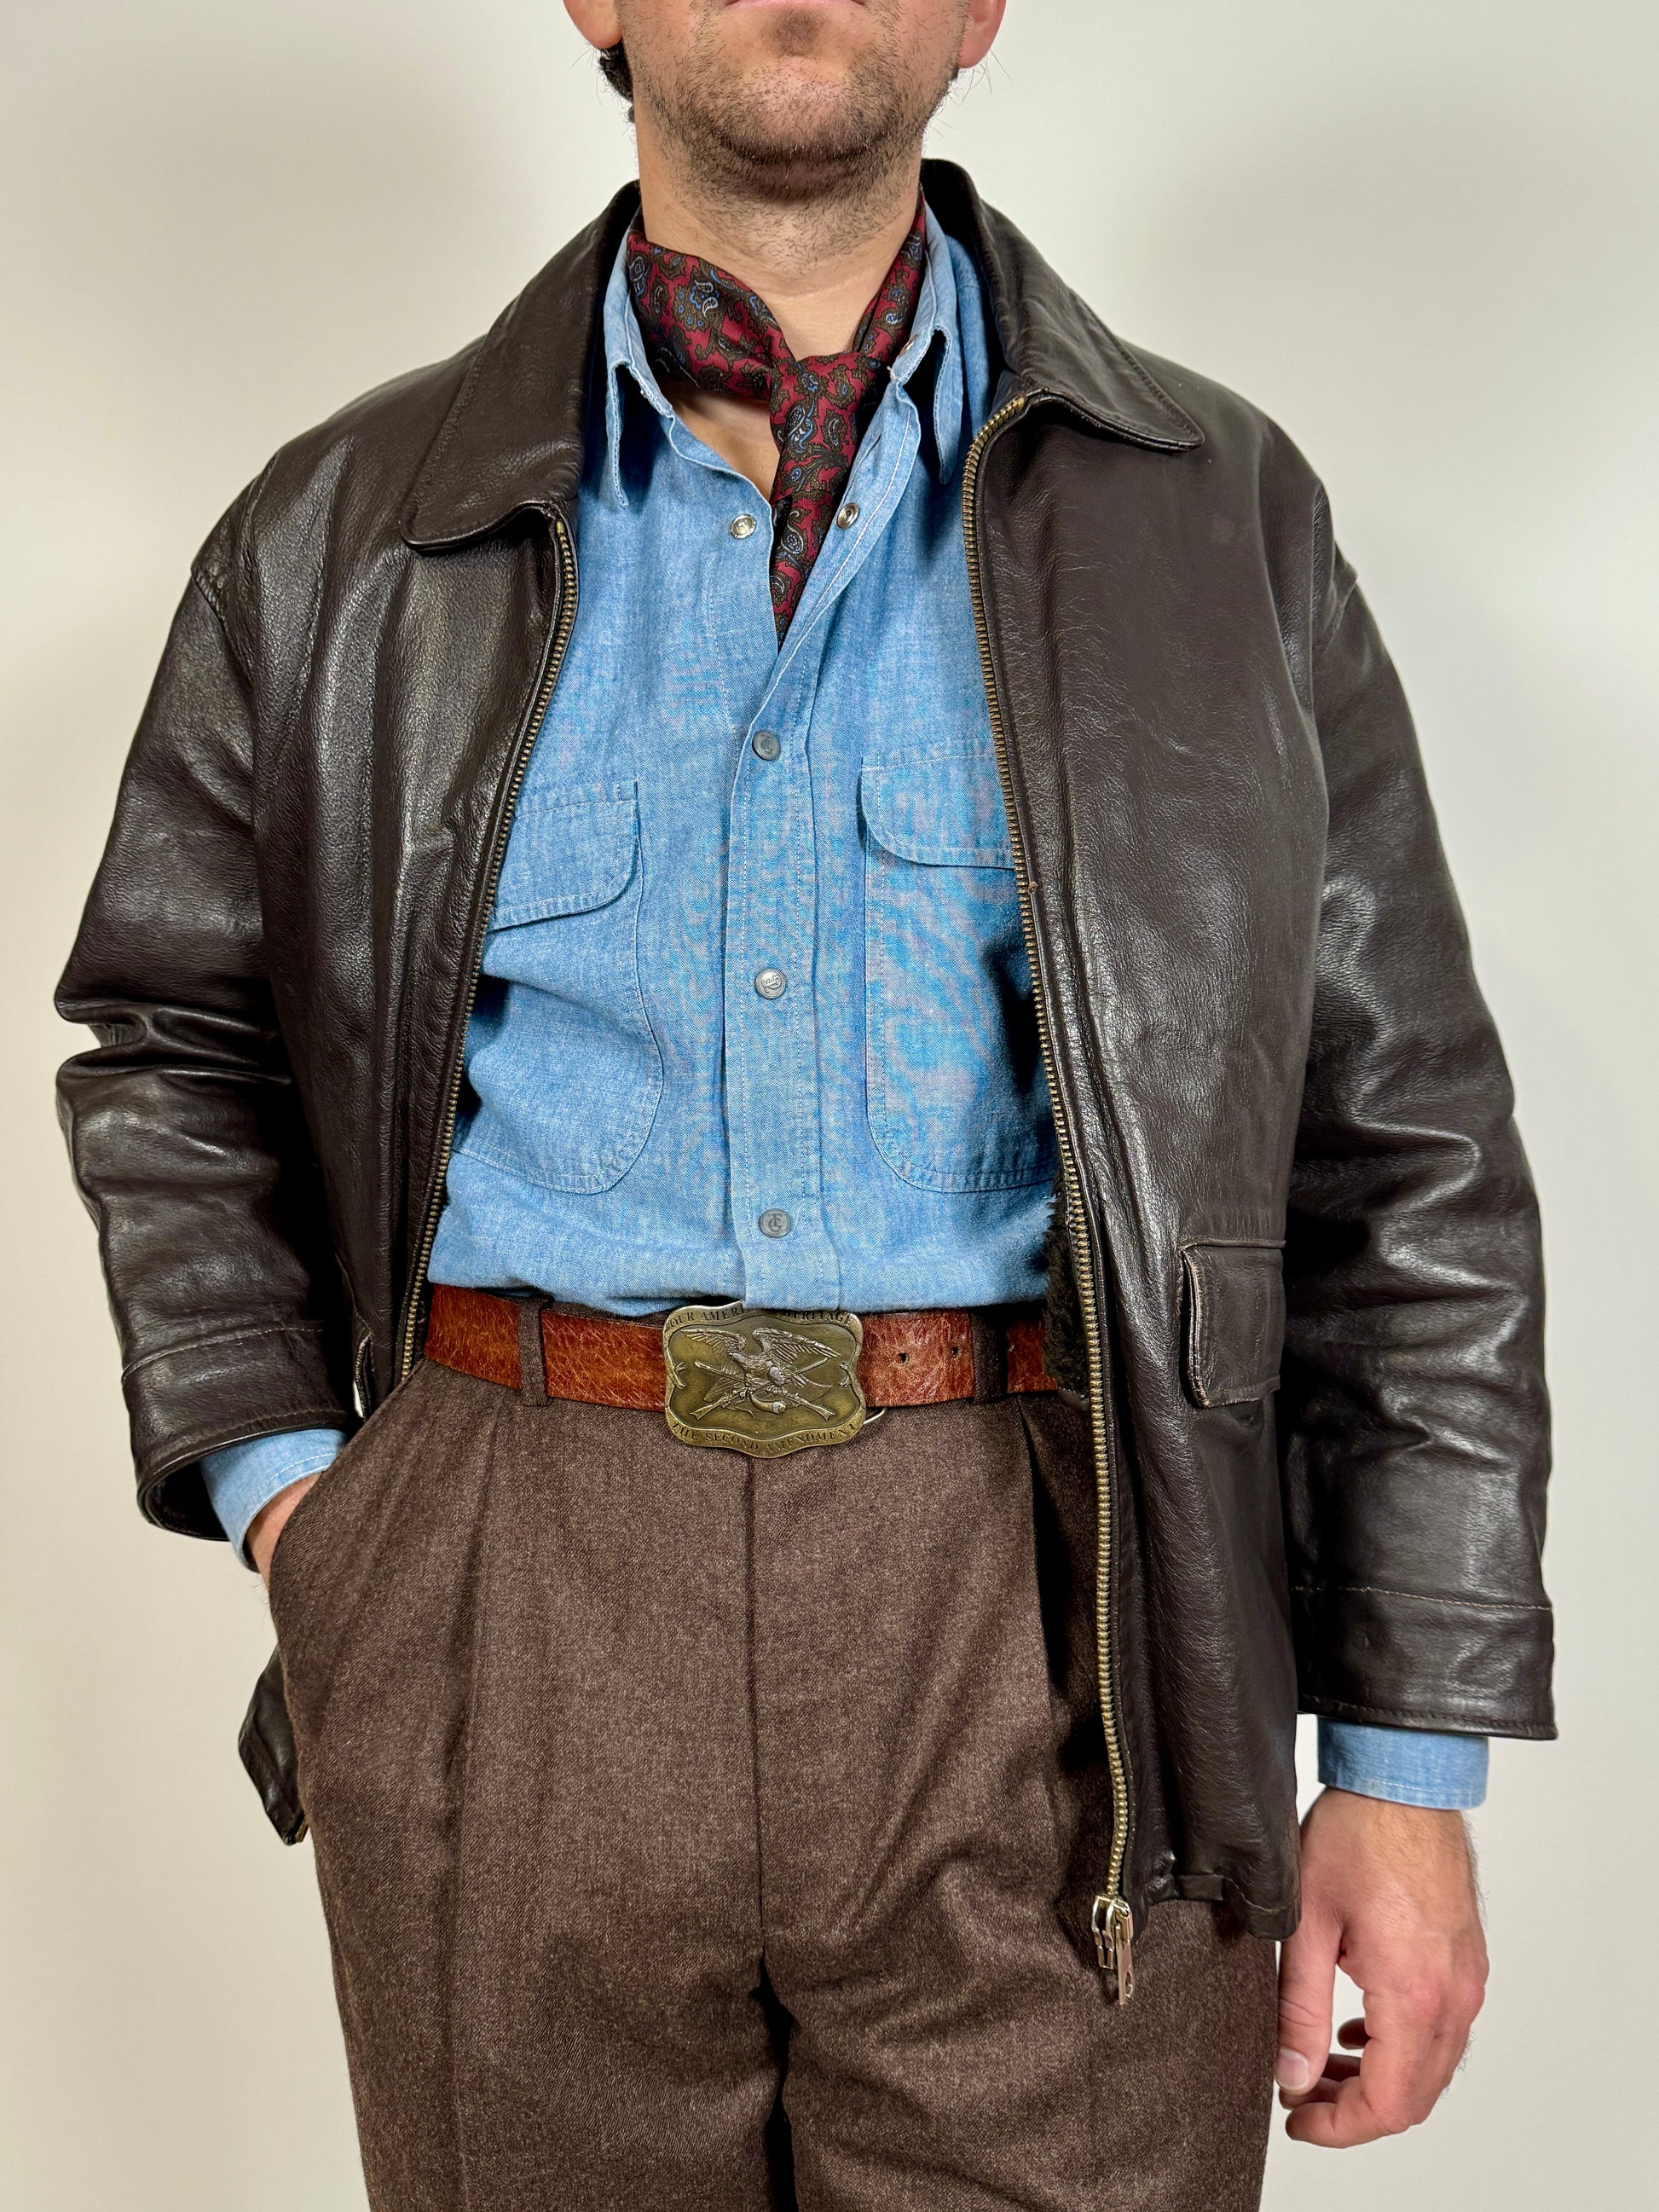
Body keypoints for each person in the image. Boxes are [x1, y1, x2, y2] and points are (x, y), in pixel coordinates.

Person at [55, 3, 1554, 2206]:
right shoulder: (335, 531)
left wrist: (1405, 1764)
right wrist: (324, 1524)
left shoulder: (1219, 518)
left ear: (981, 12)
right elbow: (170, 1039)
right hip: (512, 1588)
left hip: (1066, 1612)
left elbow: (1400, 1146)